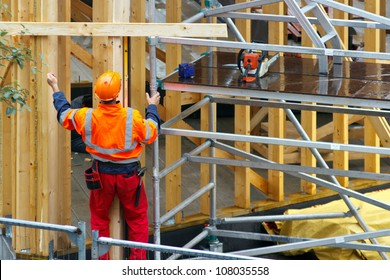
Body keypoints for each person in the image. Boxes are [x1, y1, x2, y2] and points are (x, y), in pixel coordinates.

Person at [47, 71, 161, 260]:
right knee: (138, 219)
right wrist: (152, 108)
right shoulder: (131, 116)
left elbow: (63, 115)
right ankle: (138, 264)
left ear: (97, 95)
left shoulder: (87, 116)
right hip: (129, 176)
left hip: (101, 175)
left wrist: (55, 87)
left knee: (99, 218)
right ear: (118, 94)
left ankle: (102, 264)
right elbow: (151, 133)